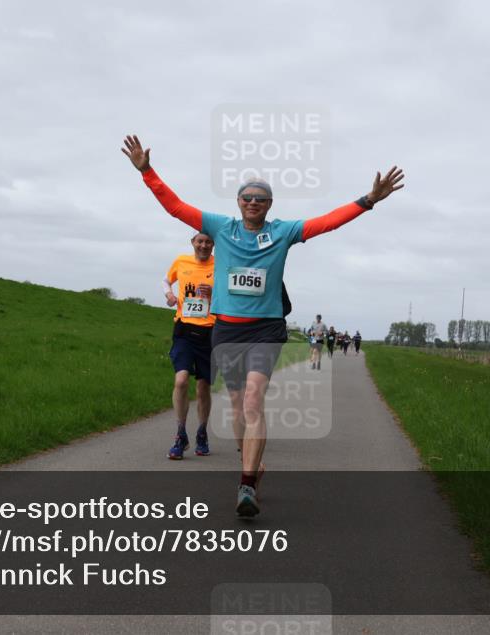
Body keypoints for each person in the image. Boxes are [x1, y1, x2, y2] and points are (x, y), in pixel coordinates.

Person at [122, 134, 404, 517]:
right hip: (227, 329)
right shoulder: (221, 228)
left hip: (266, 329)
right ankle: (251, 463)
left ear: (270, 205)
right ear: (238, 202)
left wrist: (368, 200)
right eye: (247, 197)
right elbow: (175, 207)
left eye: (260, 198)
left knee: (253, 399)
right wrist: (147, 171)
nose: (253, 202)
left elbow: (326, 223)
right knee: (238, 406)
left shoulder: (283, 232)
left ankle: (247, 484)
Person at [163, 232, 216, 459]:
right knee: (181, 380)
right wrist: (169, 294)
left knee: (203, 387)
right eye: (200, 241)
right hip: (184, 329)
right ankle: (180, 434)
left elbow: (231, 296)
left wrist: (214, 293)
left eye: (208, 242)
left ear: (213, 244)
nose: (203, 245)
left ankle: (202, 432)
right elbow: (166, 280)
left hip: (211, 332)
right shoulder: (181, 261)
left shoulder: (221, 266)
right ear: (193, 243)